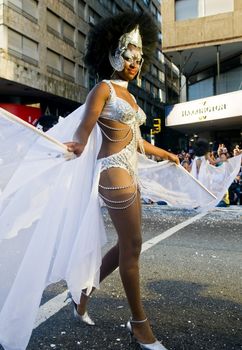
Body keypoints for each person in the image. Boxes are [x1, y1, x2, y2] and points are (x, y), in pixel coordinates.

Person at [64, 11, 179, 350]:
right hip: (113, 171)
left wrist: (167, 154)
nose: (134, 63)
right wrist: (79, 143)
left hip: (132, 170)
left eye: (139, 58)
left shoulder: (129, 96)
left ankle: (82, 297)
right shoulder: (103, 89)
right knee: (133, 246)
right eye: (129, 55)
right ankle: (140, 325)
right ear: (113, 53)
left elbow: (138, 141)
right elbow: (85, 129)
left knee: (124, 246)